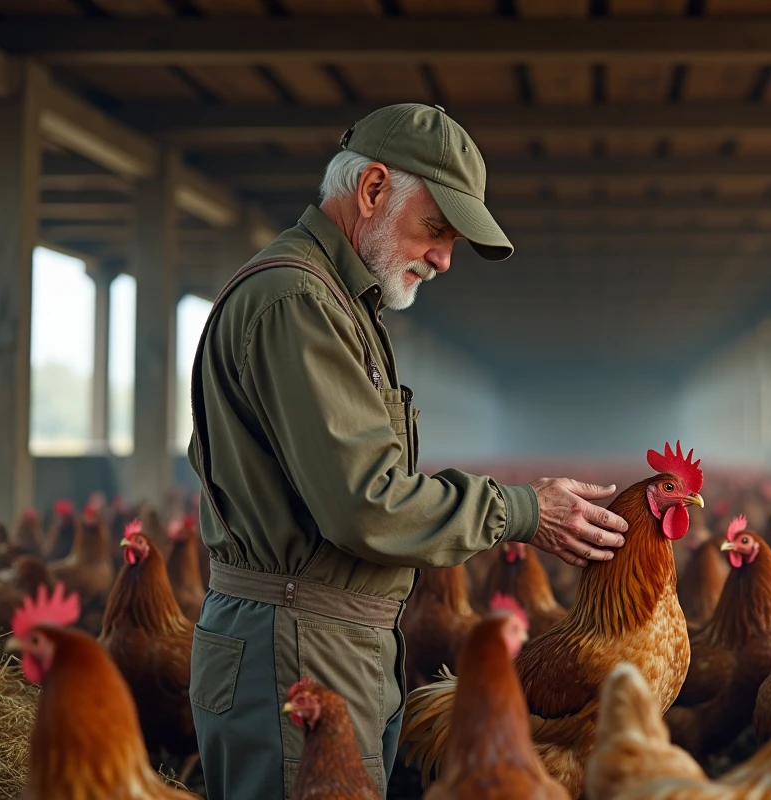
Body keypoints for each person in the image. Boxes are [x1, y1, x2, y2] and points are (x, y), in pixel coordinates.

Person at [187, 103, 629, 800]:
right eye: (436, 229)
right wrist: (520, 509)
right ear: (370, 191)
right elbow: (364, 502)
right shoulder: (296, 302)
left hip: (334, 637)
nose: (445, 259)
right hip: (298, 645)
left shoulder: (340, 303)